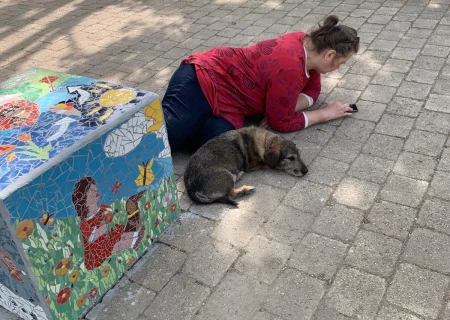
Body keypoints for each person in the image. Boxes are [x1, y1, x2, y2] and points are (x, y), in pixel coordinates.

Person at [162, 15, 359, 152]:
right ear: (329, 54)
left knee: (216, 139)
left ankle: (191, 123)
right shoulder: (290, 67)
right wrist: (324, 114)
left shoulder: (309, 47)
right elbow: (281, 122)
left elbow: (313, 89)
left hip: (233, 103)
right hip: (205, 78)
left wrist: (283, 108)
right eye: (340, 63)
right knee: (164, 139)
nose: (338, 68)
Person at [72, 177, 145, 270]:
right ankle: (134, 241)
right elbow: (91, 237)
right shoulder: (84, 223)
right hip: (96, 253)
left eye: (95, 189)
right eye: (91, 190)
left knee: (120, 235)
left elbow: (109, 215)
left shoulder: (103, 208)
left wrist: (108, 217)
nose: (95, 191)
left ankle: (135, 230)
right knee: (117, 245)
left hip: (108, 238)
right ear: (82, 198)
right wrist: (100, 230)